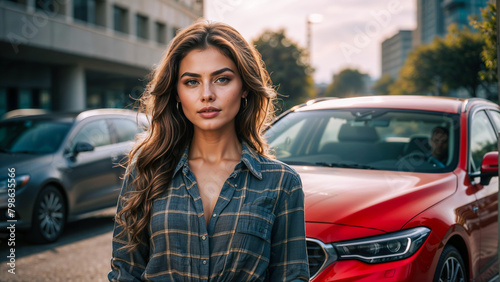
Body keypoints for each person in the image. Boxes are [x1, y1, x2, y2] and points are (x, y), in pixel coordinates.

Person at [108, 20, 309, 281]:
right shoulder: (146, 171)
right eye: (192, 82)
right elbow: (126, 272)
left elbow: (291, 276)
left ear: (245, 86)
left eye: (222, 79)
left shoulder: (282, 183)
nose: (207, 94)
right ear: (177, 93)